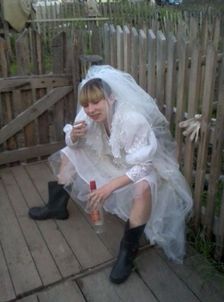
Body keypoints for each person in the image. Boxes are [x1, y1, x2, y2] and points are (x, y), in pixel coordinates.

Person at [28, 65, 193, 284]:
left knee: (143, 187)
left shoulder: (132, 119)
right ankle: (57, 205)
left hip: (139, 166)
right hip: (110, 161)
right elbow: (73, 144)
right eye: (86, 104)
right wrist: (74, 137)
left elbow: (145, 165)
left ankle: (127, 251)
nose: (90, 109)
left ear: (111, 97)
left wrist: (110, 186)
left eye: (96, 102)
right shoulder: (87, 115)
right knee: (69, 153)